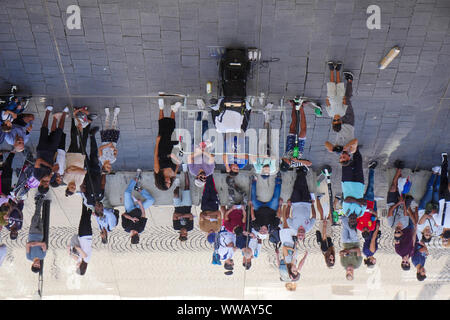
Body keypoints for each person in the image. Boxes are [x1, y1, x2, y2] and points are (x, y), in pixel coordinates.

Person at [33, 106, 68, 196]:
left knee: (44, 130)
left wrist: (50, 167)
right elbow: (56, 166)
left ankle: (47, 112)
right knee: (58, 133)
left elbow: (38, 161)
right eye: (47, 184)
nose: (46, 181)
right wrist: (52, 172)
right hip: (52, 151)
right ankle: (64, 114)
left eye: (44, 182)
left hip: (42, 149)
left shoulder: (36, 175)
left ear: (40, 183)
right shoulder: (52, 179)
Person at [276, 209, 308, 290]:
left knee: (285, 220)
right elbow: (301, 264)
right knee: (285, 221)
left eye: (294, 271)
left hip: (287, 239)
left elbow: (284, 248)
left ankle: (284, 206)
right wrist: (304, 256)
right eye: (296, 271)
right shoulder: (293, 263)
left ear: (291, 271)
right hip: (291, 240)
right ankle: (283, 206)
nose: (295, 269)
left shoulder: (289, 260)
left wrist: (293, 250)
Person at [121, 169, 153, 244]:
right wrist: (140, 204)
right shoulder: (140, 229)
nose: (135, 231)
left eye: (133, 233)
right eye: (136, 233)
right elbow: (143, 215)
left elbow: (123, 215)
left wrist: (131, 218)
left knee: (126, 193)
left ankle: (136, 179)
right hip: (139, 209)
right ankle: (138, 189)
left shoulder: (126, 228)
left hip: (129, 209)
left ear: (130, 236)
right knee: (151, 200)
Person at [154, 102, 180, 190]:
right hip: (172, 149)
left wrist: (157, 142)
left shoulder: (158, 171)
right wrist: (176, 157)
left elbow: (155, 156)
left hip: (162, 149)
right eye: (169, 183)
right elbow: (178, 163)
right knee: (172, 128)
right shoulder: (174, 174)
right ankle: (173, 110)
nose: (169, 181)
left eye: (166, 182)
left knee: (162, 128)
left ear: (161, 181)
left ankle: (161, 108)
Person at [249, 173, 283, 240]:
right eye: (264, 232)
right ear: (267, 232)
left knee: (252, 200)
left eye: (261, 232)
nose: (263, 231)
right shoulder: (273, 227)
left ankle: (253, 180)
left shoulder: (256, 227)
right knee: (276, 199)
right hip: (271, 209)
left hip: (259, 208)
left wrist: (251, 206)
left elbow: (253, 216)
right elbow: (278, 216)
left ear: (259, 231)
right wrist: (280, 205)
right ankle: (278, 179)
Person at [285, 168, 316, 241]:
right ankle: (301, 173)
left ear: (297, 234)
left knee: (296, 188)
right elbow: (314, 216)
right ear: (305, 235)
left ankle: (300, 173)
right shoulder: (309, 227)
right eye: (302, 235)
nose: (301, 234)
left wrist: (289, 206)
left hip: (295, 203)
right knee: (305, 187)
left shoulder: (293, 226)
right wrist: (312, 205)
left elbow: (287, 216)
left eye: (299, 235)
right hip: (307, 203)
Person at [80, 126, 105, 215]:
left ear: (96, 210)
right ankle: (91, 135)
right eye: (103, 209)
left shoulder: (88, 202)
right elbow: (102, 184)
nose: (102, 208)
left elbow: (82, 188)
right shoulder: (101, 197)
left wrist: (82, 174)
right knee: (94, 153)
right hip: (96, 171)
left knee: (83, 154)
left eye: (100, 210)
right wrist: (103, 173)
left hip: (87, 172)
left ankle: (81, 136)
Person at [280, 100, 311, 172]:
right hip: (299, 147)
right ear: (288, 164)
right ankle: (301, 108)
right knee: (303, 131)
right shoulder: (294, 164)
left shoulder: (282, 159)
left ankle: (294, 106)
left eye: (283, 160)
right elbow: (309, 163)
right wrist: (297, 161)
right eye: (285, 161)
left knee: (293, 125)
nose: (284, 159)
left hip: (290, 145)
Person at [340, 145, 367, 220]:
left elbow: (347, 199)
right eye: (354, 222)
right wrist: (356, 201)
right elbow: (365, 202)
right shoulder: (361, 213)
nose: (352, 220)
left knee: (346, 164)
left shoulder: (346, 212)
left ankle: (344, 150)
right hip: (359, 184)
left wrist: (358, 202)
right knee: (358, 164)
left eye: (350, 221)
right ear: (356, 221)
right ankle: (355, 149)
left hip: (347, 183)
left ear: (348, 221)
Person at [64, 118, 89, 196]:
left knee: (73, 137)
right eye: (74, 188)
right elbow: (84, 172)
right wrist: (74, 170)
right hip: (81, 158)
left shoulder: (65, 180)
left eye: (71, 187)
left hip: (71, 155)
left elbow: (71, 170)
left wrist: (77, 170)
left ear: (67, 186)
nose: (74, 186)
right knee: (84, 140)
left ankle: (74, 118)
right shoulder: (79, 182)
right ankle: (87, 122)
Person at [69, 204, 93, 276]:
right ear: (81, 267)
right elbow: (78, 248)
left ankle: (85, 199)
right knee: (86, 216)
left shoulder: (80, 260)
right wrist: (73, 249)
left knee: (84, 215)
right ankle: (92, 201)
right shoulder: (86, 259)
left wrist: (70, 253)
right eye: (77, 267)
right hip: (86, 235)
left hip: (82, 236)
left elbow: (71, 256)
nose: (76, 266)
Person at [357, 161, 379, 237]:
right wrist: (373, 212)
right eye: (366, 229)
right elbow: (376, 216)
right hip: (369, 202)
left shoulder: (359, 227)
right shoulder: (372, 227)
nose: (365, 228)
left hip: (359, 202)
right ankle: (371, 169)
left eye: (363, 230)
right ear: (369, 231)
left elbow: (355, 216)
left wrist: (359, 212)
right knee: (371, 185)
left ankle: (357, 169)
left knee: (359, 186)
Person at [26, 197, 47, 274]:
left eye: (35, 265)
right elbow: (44, 245)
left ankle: (40, 199)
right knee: (39, 217)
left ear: (33, 264)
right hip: (40, 234)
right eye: (38, 266)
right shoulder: (42, 256)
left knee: (36, 216)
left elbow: (27, 245)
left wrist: (36, 244)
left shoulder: (29, 257)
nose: (37, 264)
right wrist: (35, 244)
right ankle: (37, 202)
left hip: (32, 232)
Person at [199, 175, 222, 243]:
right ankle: (210, 174)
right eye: (213, 233)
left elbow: (201, 215)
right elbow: (219, 213)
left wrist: (205, 216)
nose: (212, 231)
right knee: (212, 189)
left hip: (205, 207)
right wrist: (208, 214)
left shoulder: (203, 228)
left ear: (207, 235)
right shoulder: (217, 228)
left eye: (210, 233)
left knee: (206, 189)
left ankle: (207, 175)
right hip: (214, 207)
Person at [173, 167, 194, 241]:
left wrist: (182, 216)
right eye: (186, 234)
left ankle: (177, 186)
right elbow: (191, 215)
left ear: (180, 233)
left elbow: (174, 215)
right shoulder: (190, 227)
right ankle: (185, 171)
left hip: (177, 207)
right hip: (187, 206)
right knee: (187, 187)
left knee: (175, 194)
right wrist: (182, 216)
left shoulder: (176, 227)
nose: (185, 232)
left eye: (183, 234)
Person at [315, 197, 335, 268]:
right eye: (333, 259)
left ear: (327, 259)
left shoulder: (324, 250)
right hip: (328, 233)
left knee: (322, 214)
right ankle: (333, 201)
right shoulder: (331, 251)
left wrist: (324, 226)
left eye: (330, 259)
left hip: (324, 231)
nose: (332, 258)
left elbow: (323, 236)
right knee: (330, 216)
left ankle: (317, 199)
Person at [99, 107, 120, 174]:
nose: (109, 166)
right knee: (114, 127)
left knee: (106, 127)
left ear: (103, 166)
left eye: (107, 167)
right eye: (110, 168)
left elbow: (100, 149)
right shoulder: (113, 160)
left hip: (105, 141)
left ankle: (107, 114)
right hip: (113, 142)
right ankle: (115, 114)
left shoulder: (101, 158)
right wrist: (113, 148)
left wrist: (108, 145)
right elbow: (116, 152)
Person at [340, 214, 362, 280]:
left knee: (345, 228)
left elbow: (340, 253)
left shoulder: (343, 264)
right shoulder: (357, 264)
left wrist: (343, 252)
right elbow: (358, 250)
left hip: (345, 242)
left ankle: (345, 216)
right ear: (353, 272)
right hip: (354, 242)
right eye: (351, 271)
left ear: (346, 272)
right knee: (351, 229)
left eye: (348, 272)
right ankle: (344, 217)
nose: (349, 270)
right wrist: (349, 251)